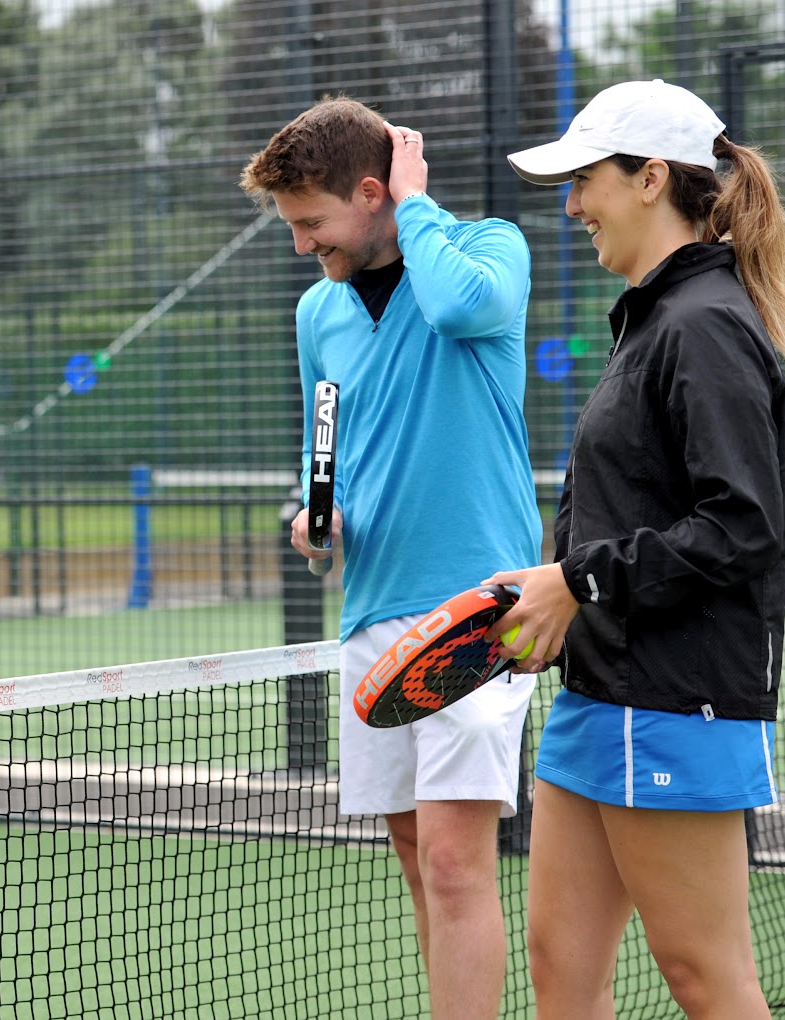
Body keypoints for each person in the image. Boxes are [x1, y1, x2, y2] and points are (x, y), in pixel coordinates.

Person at [493, 79, 785, 1019]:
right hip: (600, 695)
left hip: (676, 701)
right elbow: (624, 505)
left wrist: (579, 581)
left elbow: (742, 525)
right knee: (560, 967)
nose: (571, 203)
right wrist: (550, 589)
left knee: (706, 980)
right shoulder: (653, 319)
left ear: (649, 180)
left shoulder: (704, 324)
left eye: (585, 178)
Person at [240, 98, 541, 1018]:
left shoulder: (491, 249)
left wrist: (417, 199)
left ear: (375, 193)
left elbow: (454, 307)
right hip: (371, 615)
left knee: (456, 863)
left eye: (313, 223)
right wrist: (312, 520)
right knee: (419, 860)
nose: (302, 246)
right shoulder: (316, 312)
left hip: (479, 611)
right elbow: (323, 448)